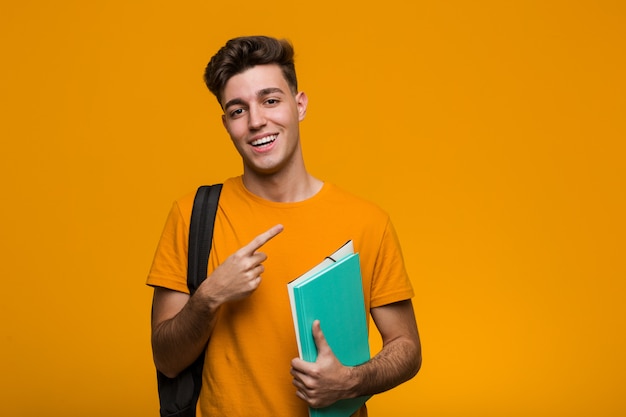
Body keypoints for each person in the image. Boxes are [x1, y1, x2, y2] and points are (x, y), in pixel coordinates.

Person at [147, 35, 421, 417]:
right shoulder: (192, 215)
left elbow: (406, 347)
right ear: (226, 123)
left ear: (300, 104)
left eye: (270, 100)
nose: (257, 120)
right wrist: (209, 296)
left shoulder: (367, 221)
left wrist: (350, 381)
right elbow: (167, 360)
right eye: (238, 110)